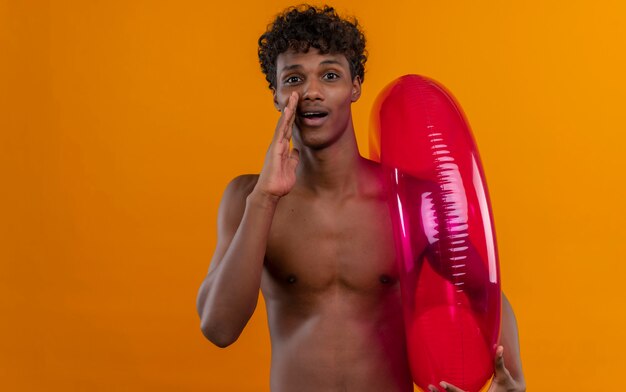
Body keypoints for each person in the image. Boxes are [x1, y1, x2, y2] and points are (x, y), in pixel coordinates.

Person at [196, 5, 526, 392]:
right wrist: (265, 198)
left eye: (330, 75)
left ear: (355, 87)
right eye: (294, 78)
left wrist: (514, 377)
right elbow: (219, 328)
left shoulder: (410, 198)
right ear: (276, 93)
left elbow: (483, 290)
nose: (312, 92)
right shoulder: (246, 197)